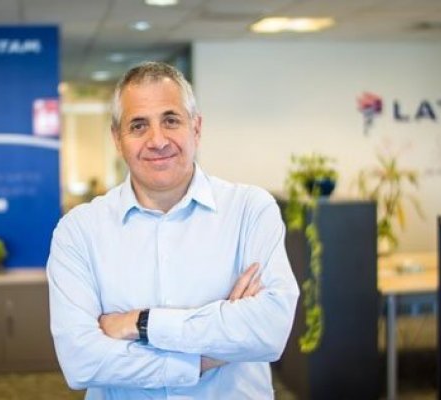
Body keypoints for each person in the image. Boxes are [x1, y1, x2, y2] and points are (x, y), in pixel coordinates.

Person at [46, 61, 299, 399]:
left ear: (196, 128)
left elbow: (269, 331)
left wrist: (139, 323)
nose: (157, 140)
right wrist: (207, 354)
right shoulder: (78, 231)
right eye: (138, 126)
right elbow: (82, 362)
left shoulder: (250, 211)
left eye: (171, 120)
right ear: (117, 139)